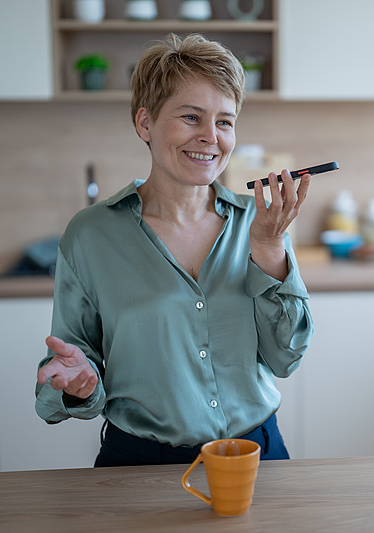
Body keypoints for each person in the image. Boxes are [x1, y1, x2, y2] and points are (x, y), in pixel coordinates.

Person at [34, 33, 314, 467]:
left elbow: (285, 356)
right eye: (191, 117)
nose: (210, 137)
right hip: (138, 465)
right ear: (145, 123)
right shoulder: (90, 235)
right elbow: (73, 359)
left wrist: (268, 245)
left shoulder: (258, 224)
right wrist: (77, 381)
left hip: (257, 457)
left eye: (224, 122)